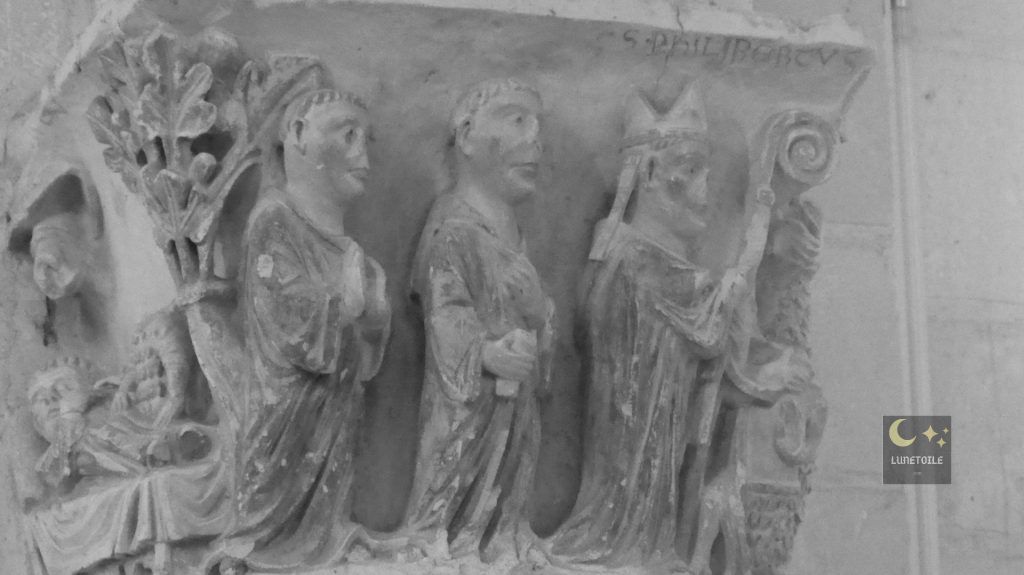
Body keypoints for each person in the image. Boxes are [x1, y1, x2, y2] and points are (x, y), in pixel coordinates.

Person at [549, 83, 794, 571]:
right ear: (648, 174)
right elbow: (711, 326)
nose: (706, 190)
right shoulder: (636, 260)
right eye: (691, 169)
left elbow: (710, 329)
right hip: (635, 430)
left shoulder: (626, 255)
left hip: (657, 422)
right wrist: (744, 264)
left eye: (708, 172)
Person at [216, 88, 391, 572]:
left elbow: (364, 340)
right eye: (347, 134)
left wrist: (375, 317)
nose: (363, 155)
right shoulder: (274, 219)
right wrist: (347, 303)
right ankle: (265, 548)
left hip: (335, 409)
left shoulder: (345, 244)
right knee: (273, 536)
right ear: (297, 135)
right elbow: (286, 320)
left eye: (367, 139)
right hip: (287, 414)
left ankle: (328, 537)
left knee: (327, 509)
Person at [405, 78, 554, 564]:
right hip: (467, 408)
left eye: (537, 125)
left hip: (515, 405)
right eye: (517, 120)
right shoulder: (451, 226)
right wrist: (487, 354)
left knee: (509, 474)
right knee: (458, 478)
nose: (535, 139)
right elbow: (444, 312)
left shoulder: (512, 231)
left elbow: (535, 315)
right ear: (468, 135)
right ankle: (442, 539)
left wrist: (539, 314)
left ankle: (501, 538)